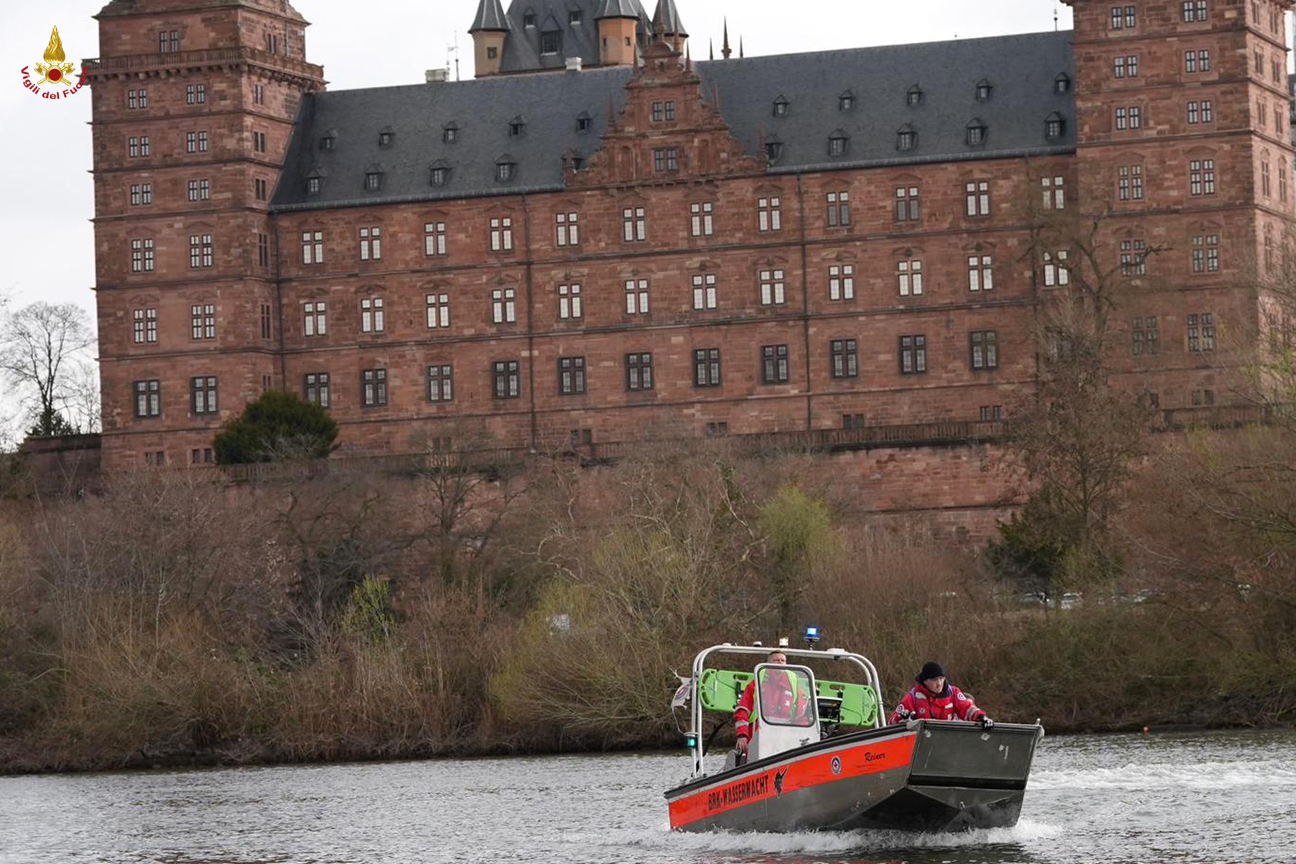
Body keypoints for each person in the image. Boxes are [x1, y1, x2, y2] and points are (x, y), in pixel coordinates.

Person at [733, 650, 811, 759]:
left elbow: (801, 713)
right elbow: (742, 710)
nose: (780, 663)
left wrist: (803, 736)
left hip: (785, 735)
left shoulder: (794, 682)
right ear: (768, 663)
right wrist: (742, 735)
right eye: (776, 660)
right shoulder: (757, 682)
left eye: (782, 660)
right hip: (759, 735)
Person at [888, 661, 993, 728]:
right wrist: (903, 717)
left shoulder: (953, 693)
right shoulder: (913, 697)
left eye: (941, 678)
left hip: (948, 743)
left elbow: (967, 708)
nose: (939, 683)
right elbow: (892, 722)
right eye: (934, 679)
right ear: (925, 681)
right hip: (922, 746)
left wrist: (982, 717)